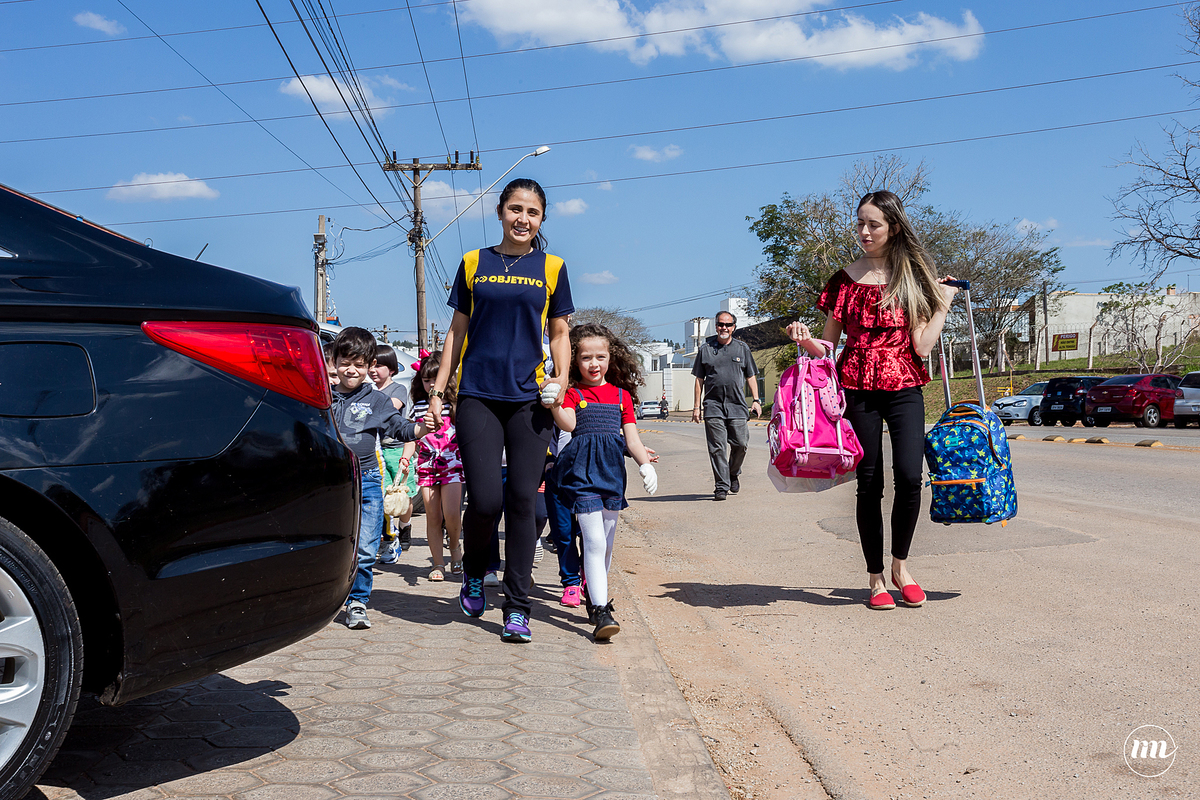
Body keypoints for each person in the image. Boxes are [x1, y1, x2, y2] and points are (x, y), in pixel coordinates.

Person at [788, 190, 959, 611]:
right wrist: (805, 339)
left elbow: (921, 347)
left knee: (911, 477)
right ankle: (876, 578)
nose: (864, 232)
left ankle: (901, 567)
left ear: (893, 228)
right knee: (869, 483)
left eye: (873, 224)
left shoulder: (913, 279)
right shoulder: (843, 279)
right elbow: (828, 348)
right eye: (860, 223)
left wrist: (943, 305)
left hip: (904, 386)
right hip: (857, 388)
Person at [426, 178, 573, 644]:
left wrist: (562, 379)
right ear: (500, 212)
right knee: (487, 500)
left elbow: (560, 332)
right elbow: (456, 329)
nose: (522, 219)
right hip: (478, 396)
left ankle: (517, 607)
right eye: (515, 209)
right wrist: (439, 387)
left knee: (524, 504)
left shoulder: (553, 267)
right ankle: (473, 571)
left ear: (542, 218)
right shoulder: (474, 263)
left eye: (532, 212)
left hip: (531, 400)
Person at [549, 323, 657, 641]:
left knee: (606, 544)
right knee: (594, 541)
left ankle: (594, 593)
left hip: (612, 475)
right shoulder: (573, 393)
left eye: (600, 356)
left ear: (611, 358)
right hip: (580, 473)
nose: (594, 364)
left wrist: (645, 465)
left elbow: (633, 440)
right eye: (585, 358)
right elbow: (568, 422)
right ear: (575, 361)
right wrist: (554, 402)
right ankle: (600, 609)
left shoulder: (622, 396)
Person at [330, 327, 427, 629]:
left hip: (368, 478)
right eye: (346, 362)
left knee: (366, 547)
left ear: (370, 366)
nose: (352, 370)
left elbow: (399, 428)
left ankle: (358, 602)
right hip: (331, 481)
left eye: (360, 364)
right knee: (332, 543)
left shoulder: (376, 400)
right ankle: (325, 599)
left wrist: (422, 429)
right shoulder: (321, 395)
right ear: (334, 361)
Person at [402, 353, 464, 581]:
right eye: (426, 380)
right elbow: (411, 436)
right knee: (432, 516)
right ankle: (438, 563)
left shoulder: (457, 405)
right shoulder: (417, 407)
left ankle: (455, 548)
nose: (430, 385)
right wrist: (406, 459)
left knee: (452, 513)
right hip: (427, 465)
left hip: (454, 464)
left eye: (435, 379)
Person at [691, 311, 761, 500]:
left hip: (737, 406)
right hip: (713, 406)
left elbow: (751, 375)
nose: (724, 328)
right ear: (716, 326)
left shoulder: (742, 348)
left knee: (741, 444)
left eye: (728, 325)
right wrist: (696, 407)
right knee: (717, 448)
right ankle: (721, 486)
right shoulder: (705, 349)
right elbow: (699, 380)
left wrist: (756, 400)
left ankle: (732, 473)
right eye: (721, 324)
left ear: (733, 328)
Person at [371, 343, 412, 561]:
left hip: (397, 448)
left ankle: (405, 526)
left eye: (379, 366)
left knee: (403, 493)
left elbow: (391, 408)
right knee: (384, 493)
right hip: (377, 449)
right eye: (371, 365)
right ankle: (389, 534)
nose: (373, 370)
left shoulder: (398, 389)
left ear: (392, 369)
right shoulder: (368, 390)